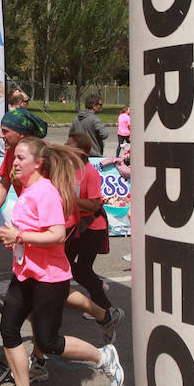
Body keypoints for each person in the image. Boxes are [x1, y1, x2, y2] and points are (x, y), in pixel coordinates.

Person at [0, 138, 124, 386]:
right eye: (14, 158)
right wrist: (12, 238)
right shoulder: (28, 190)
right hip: (25, 273)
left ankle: (103, 356)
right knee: (9, 329)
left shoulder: (46, 192)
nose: (14, 163)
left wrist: (19, 236)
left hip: (49, 278)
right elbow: (30, 233)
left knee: (49, 342)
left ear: (37, 163)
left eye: (20, 158)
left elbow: (56, 234)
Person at [65, 132, 124, 335]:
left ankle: (105, 307)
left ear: (81, 150)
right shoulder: (68, 169)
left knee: (81, 269)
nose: (66, 146)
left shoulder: (90, 172)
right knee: (65, 264)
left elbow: (94, 203)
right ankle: (95, 288)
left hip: (92, 226)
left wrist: (71, 200)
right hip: (75, 225)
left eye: (70, 144)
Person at [0, 107, 48, 224]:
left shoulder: (43, 154)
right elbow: (4, 184)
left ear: (21, 135)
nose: (0, 135)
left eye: (5, 131)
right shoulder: (11, 152)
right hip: (31, 220)